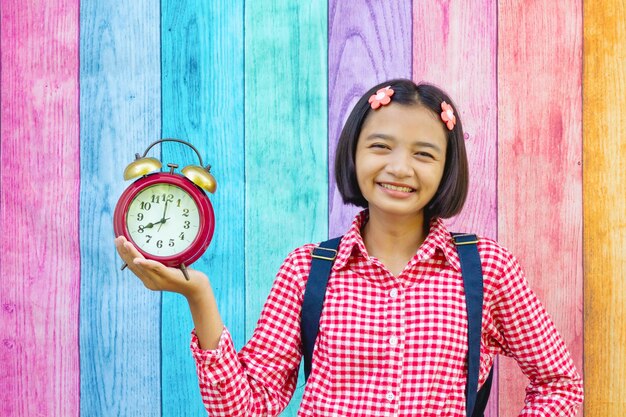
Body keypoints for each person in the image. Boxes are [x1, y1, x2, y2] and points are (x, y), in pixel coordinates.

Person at [115, 79, 583, 416]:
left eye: (424, 153)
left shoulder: (486, 268)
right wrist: (199, 298)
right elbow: (248, 408)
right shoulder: (307, 270)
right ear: (354, 153)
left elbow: (560, 384)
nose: (400, 167)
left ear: (447, 168)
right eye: (381, 146)